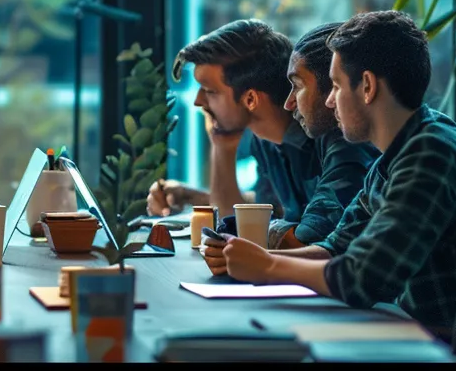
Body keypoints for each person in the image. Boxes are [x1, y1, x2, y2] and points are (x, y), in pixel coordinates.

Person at [200, 10, 456, 333]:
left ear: (366, 86)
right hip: (411, 333)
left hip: (447, 348)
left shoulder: (432, 152)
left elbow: (361, 279)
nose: (329, 102)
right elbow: (334, 249)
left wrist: (268, 266)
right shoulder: (392, 158)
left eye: (336, 86)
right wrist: (252, 256)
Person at [147, 20, 376, 249]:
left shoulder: (339, 136)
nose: (198, 101)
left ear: (250, 99)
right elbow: (264, 211)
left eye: (209, 91)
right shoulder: (266, 142)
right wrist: (195, 196)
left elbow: (303, 238)